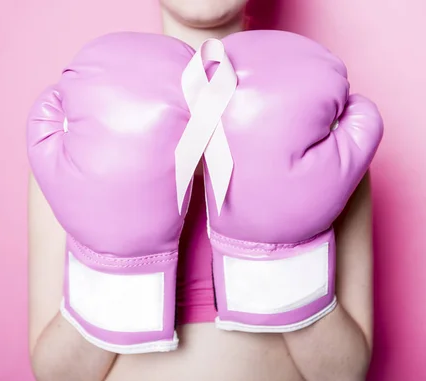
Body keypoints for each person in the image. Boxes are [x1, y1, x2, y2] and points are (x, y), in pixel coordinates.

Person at [28, 1, 376, 380]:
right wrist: (114, 264)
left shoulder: (326, 134)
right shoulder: (77, 127)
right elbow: (58, 375)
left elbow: (344, 374)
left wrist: (282, 258)